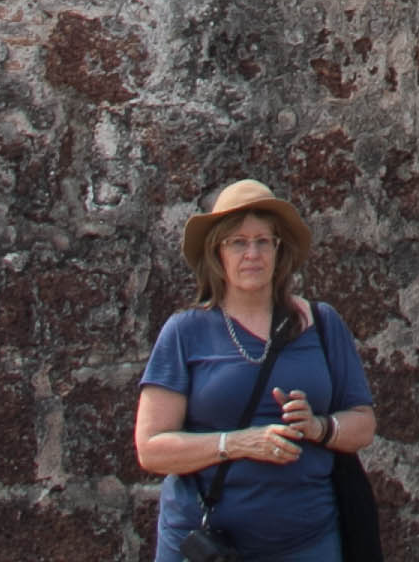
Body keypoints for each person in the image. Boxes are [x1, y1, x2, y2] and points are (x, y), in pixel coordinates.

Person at [135, 177, 378, 562]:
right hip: (207, 549)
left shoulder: (321, 324)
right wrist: (238, 443)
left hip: (307, 544)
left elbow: (363, 424)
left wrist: (318, 427)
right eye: (238, 242)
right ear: (217, 253)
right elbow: (152, 450)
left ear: (279, 251)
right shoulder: (184, 332)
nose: (252, 253)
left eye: (263, 241)